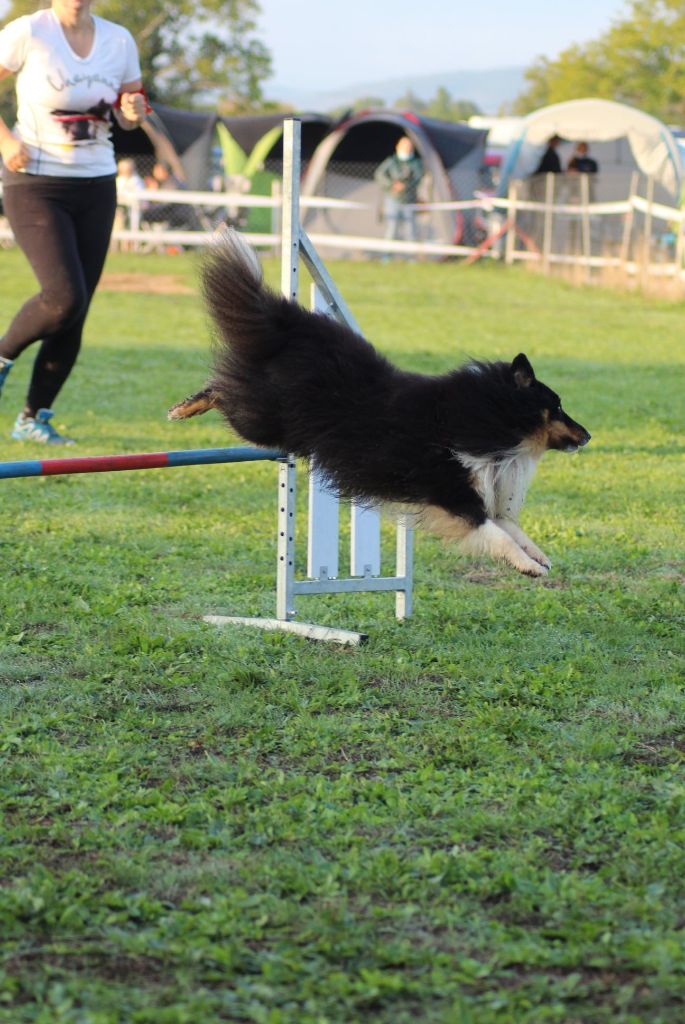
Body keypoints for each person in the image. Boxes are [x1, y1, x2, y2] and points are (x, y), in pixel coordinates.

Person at [0, 0, 148, 444]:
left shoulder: (119, 40)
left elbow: (129, 110)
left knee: (77, 310)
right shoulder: (28, 32)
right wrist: (4, 141)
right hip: (35, 183)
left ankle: (33, 418)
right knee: (63, 297)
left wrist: (133, 112)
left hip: (97, 184)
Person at [374, 136, 424, 255]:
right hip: (392, 199)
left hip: (409, 200)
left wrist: (405, 186)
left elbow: (418, 177)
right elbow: (380, 174)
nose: (406, 149)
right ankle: (386, 257)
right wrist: (392, 185)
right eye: (404, 146)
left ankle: (411, 259)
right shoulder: (391, 162)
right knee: (391, 229)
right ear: (398, 147)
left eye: (409, 146)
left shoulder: (416, 163)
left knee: (410, 231)